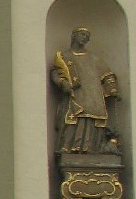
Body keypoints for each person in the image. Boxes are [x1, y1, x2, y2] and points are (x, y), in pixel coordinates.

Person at [50, 26, 121, 156]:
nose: (85, 38)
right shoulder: (64, 57)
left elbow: (107, 75)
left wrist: (113, 89)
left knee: (93, 121)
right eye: (82, 34)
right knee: (73, 119)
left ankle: (92, 149)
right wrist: (62, 83)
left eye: (87, 36)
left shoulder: (94, 59)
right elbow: (56, 72)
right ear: (74, 35)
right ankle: (68, 148)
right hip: (75, 95)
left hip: (94, 96)